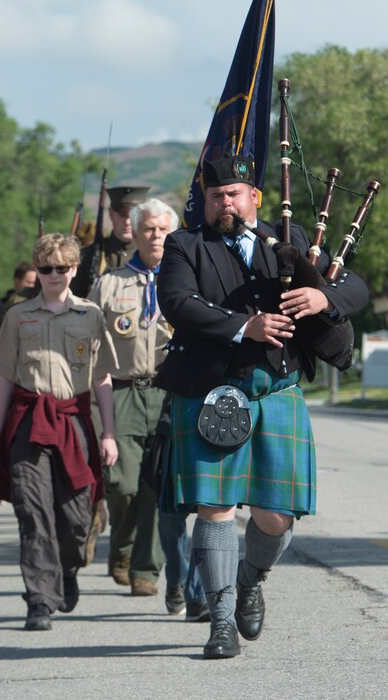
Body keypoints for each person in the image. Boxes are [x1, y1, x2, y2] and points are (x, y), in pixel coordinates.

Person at [156, 155, 369, 659]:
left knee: (275, 517)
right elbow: (177, 301)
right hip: (212, 392)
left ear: (254, 197)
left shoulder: (287, 243)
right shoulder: (185, 244)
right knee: (216, 510)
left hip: (276, 389)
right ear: (203, 201)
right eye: (214, 196)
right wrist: (242, 325)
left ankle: (251, 579)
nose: (224, 203)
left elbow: (352, 285)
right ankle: (222, 620)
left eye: (233, 193)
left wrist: (324, 300)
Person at [0, 233, 119, 631]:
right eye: (46, 269)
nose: (55, 275)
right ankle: (39, 598)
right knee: (33, 512)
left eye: (62, 268)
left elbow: (103, 379)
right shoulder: (18, 316)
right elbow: (5, 381)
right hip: (28, 422)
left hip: (74, 422)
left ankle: (68, 568)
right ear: (36, 273)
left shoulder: (91, 315)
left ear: (75, 269)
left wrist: (108, 433)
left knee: (76, 517)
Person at [89, 198, 206, 617]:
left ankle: (145, 570)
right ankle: (119, 544)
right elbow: (90, 349)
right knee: (122, 485)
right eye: (148, 229)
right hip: (120, 391)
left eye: (162, 229)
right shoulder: (110, 283)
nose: (155, 236)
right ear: (134, 233)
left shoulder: (188, 280)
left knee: (157, 487)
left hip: (169, 391)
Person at [72, 184, 150, 564]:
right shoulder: (90, 259)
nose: (125, 221)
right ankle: (90, 527)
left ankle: (124, 546)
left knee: (128, 478)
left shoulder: (154, 256)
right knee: (95, 462)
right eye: (120, 213)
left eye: (132, 214)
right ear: (112, 215)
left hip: (133, 375)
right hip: (94, 375)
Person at [0, 262, 37, 369]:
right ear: (16, 282)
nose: (33, 287)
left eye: (35, 283)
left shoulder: (40, 309)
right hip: (1, 372)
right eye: (29, 282)